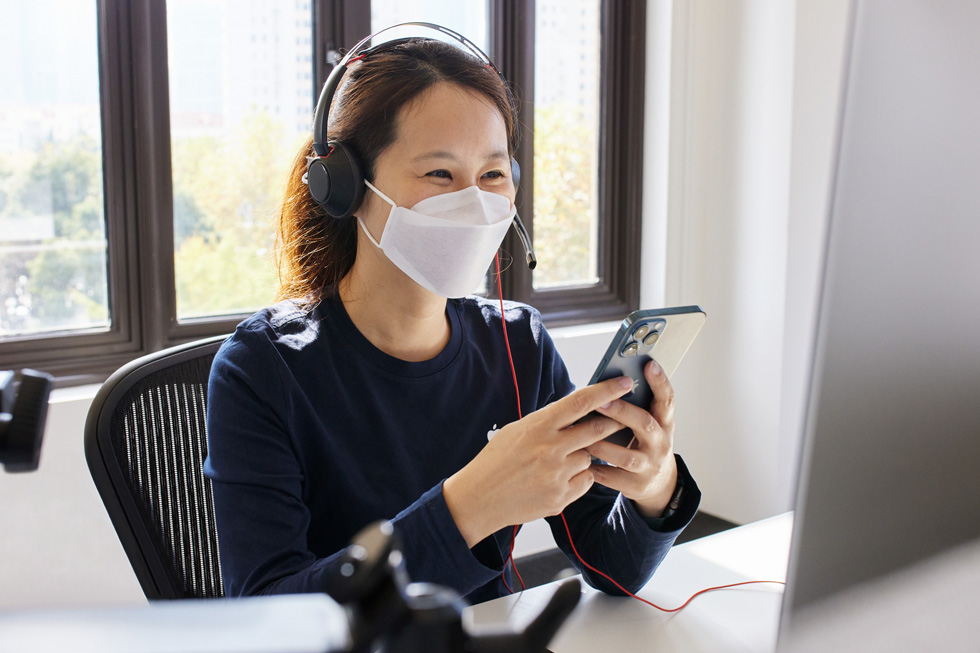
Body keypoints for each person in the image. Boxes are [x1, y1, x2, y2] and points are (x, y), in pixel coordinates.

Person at [204, 31, 700, 604]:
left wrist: (654, 487)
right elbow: (268, 614)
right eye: (440, 175)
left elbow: (609, 566)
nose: (474, 203)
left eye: (493, 175)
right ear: (346, 186)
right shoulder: (260, 370)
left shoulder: (518, 345)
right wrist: (469, 506)